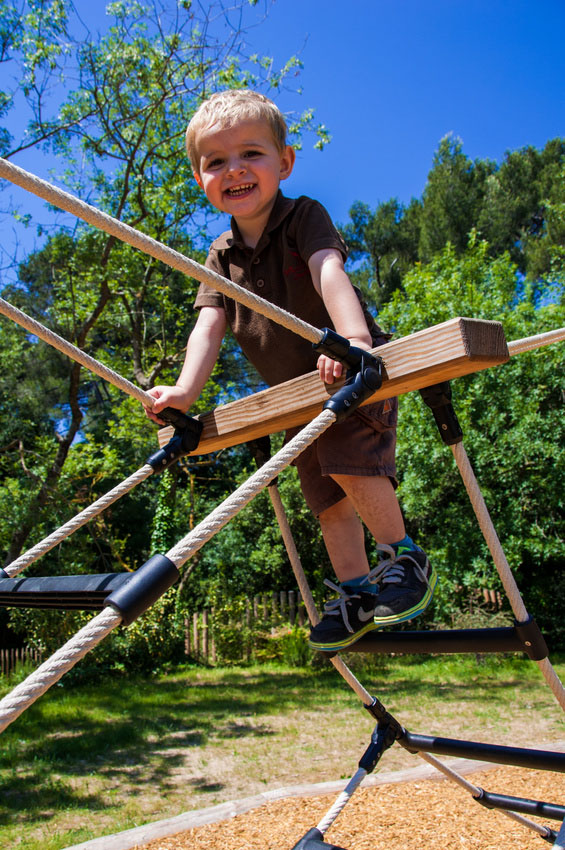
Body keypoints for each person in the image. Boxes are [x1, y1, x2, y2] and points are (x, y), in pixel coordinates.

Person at [145, 89, 437, 652]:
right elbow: (209, 327)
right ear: (201, 179)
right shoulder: (218, 256)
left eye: (250, 154)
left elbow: (329, 271)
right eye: (215, 162)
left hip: (351, 372)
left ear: (285, 162)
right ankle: (356, 594)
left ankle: (405, 557)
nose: (234, 170)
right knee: (325, 501)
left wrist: (352, 341)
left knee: (350, 466)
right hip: (299, 395)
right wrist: (183, 391)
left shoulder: (304, 216)